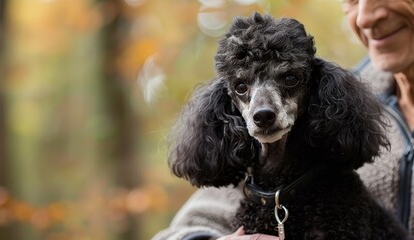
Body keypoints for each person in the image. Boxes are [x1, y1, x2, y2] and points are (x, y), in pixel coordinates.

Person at [152, 0, 414, 239]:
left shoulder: (343, 109)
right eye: (353, 1)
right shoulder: (255, 174)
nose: (365, 18)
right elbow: (184, 227)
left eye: (289, 79)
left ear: (311, 89)